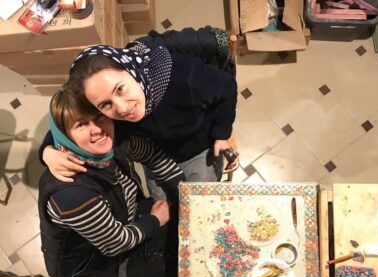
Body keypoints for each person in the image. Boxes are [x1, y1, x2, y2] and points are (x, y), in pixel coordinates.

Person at [38, 86, 184, 277]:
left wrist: (182, 191)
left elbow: (154, 156)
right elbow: (115, 244)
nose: (97, 129)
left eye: (99, 117)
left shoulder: (117, 140)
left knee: (178, 236)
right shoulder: (72, 194)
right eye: (81, 124)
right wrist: (154, 220)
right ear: (65, 137)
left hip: (122, 214)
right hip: (94, 261)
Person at [40, 40, 238, 199]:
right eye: (105, 104)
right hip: (155, 156)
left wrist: (222, 133)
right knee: (164, 203)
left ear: (130, 69)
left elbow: (227, 87)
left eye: (120, 89)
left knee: (200, 203)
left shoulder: (185, 78)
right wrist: (47, 151)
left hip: (199, 150)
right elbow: (67, 126)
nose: (122, 109)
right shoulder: (104, 113)